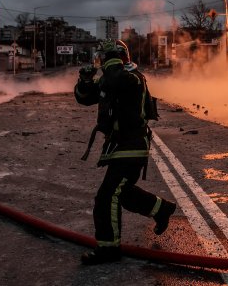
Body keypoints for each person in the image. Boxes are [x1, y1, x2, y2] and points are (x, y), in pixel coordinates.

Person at [74, 39, 175, 264]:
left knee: (106, 197)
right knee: (123, 192)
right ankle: (161, 209)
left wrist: (110, 62)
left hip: (131, 147)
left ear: (118, 58)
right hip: (120, 147)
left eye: (107, 58)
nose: (103, 62)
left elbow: (115, 79)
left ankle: (108, 249)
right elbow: (85, 98)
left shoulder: (132, 77)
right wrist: (85, 79)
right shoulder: (111, 79)